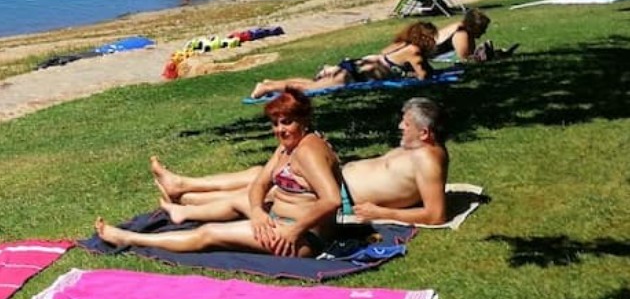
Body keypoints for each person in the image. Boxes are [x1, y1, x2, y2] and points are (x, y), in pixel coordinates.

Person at [95, 88, 343, 257]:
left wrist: (294, 230)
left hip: (302, 238)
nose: (280, 130)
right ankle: (183, 212)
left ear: (304, 120)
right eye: (275, 123)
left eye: (287, 122)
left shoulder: (308, 151)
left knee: (209, 233)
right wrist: (258, 212)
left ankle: (130, 239)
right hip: (278, 221)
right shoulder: (287, 147)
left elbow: (331, 200)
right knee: (240, 199)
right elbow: (259, 184)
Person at [151, 97, 450, 227]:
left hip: (341, 198)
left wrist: (381, 212)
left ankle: (187, 202)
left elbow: (436, 215)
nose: (400, 127)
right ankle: (183, 188)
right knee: (262, 174)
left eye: (406, 124)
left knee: (268, 189)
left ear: (424, 133)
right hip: (339, 184)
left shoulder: (428, 160)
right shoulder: (417, 150)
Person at [250, 21, 438, 99]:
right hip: (351, 75)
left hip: (353, 67)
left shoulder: (401, 45)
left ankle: (272, 83)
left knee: (309, 83)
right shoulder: (414, 51)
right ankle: (267, 88)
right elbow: (424, 77)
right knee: (310, 89)